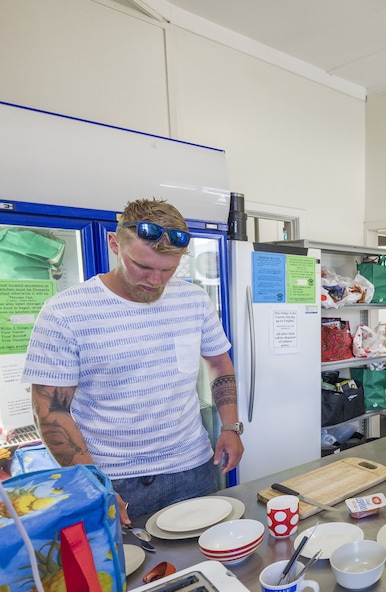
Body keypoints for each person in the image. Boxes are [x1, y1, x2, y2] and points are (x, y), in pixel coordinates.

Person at [22, 198, 244, 525]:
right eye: (143, 266)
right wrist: (93, 484)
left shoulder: (194, 300)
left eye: (168, 270)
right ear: (115, 244)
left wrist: (230, 426)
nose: (155, 282)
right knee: (125, 572)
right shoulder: (65, 313)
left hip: (193, 469)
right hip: (112, 478)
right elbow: (50, 411)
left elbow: (219, 363)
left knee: (202, 567)